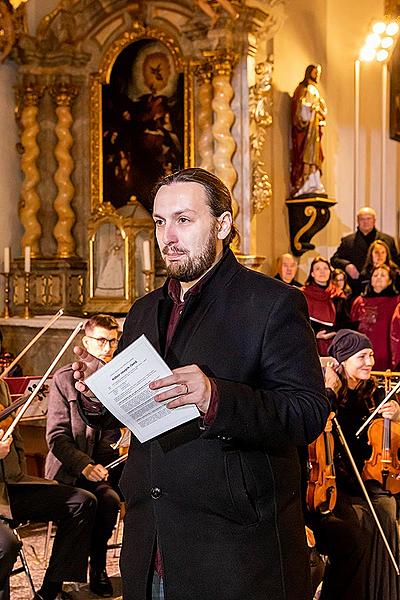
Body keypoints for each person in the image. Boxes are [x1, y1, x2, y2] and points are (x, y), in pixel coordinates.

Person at [72, 167, 329, 600]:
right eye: (159, 221)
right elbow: (137, 414)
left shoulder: (272, 303)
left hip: (234, 553)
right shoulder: (141, 311)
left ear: (223, 225)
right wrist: (99, 400)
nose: (168, 236)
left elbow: (306, 412)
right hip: (150, 542)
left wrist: (217, 397)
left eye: (183, 220)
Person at [314, 330, 400, 599]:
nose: (370, 362)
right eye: (362, 356)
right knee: (361, 527)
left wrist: (397, 416)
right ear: (343, 360)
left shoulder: (373, 393)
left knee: (387, 507)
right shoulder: (328, 394)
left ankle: (382, 591)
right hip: (333, 484)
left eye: (371, 355)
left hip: (364, 478)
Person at [45, 314, 123, 598]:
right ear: (86, 342)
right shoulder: (66, 379)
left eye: (113, 341)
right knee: (104, 500)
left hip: (108, 465)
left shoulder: (118, 375)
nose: (108, 347)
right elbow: (57, 438)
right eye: (101, 341)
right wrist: (85, 464)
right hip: (71, 471)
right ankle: (97, 568)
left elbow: (113, 433)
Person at [0, 378, 96, 600]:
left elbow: (16, 439)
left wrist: (19, 471)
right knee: (6, 544)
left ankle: (51, 591)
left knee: (81, 502)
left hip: (12, 485)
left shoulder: (1, 385)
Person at [331, 207, 399, 296]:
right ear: (357, 221)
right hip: (356, 289)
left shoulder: (388, 240)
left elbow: (396, 261)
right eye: (362, 219)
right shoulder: (348, 241)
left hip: (385, 291)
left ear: (374, 220)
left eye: (368, 219)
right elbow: (334, 259)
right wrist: (347, 265)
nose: (365, 222)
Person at [351, 265, 400, 370]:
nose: (378, 277)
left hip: (388, 355)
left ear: (390, 281)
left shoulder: (397, 301)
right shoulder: (359, 301)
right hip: (362, 355)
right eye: (375, 275)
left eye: (383, 275)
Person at [290, 64, 327, 197]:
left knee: (315, 156)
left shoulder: (314, 89)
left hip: (314, 128)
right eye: (314, 72)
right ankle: (306, 182)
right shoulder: (305, 89)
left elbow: (323, 109)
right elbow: (300, 108)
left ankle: (314, 181)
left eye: (317, 72)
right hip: (307, 128)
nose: (316, 75)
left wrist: (319, 111)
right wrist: (310, 108)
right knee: (307, 154)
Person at [301, 256, 348, 356]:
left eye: (325, 268)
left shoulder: (338, 295)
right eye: (318, 269)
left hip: (335, 345)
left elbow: (345, 322)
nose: (322, 272)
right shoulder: (303, 294)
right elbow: (299, 322)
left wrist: (336, 333)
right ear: (312, 273)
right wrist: (316, 334)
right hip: (311, 345)